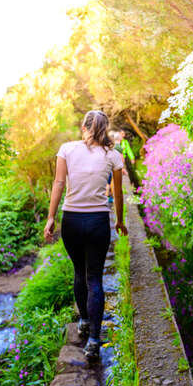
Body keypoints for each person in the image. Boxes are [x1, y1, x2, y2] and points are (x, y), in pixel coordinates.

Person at [44, 110, 127, 360]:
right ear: (105, 129)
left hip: (71, 221)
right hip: (98, 221)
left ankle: (83, 320)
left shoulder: (67, 149)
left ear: (84, 126)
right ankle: (93, 341)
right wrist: (120, 221)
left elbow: (58, 184)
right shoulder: (113, 155)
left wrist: (50, 217)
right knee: (95, 279)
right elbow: (118, 194)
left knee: (79, 272)